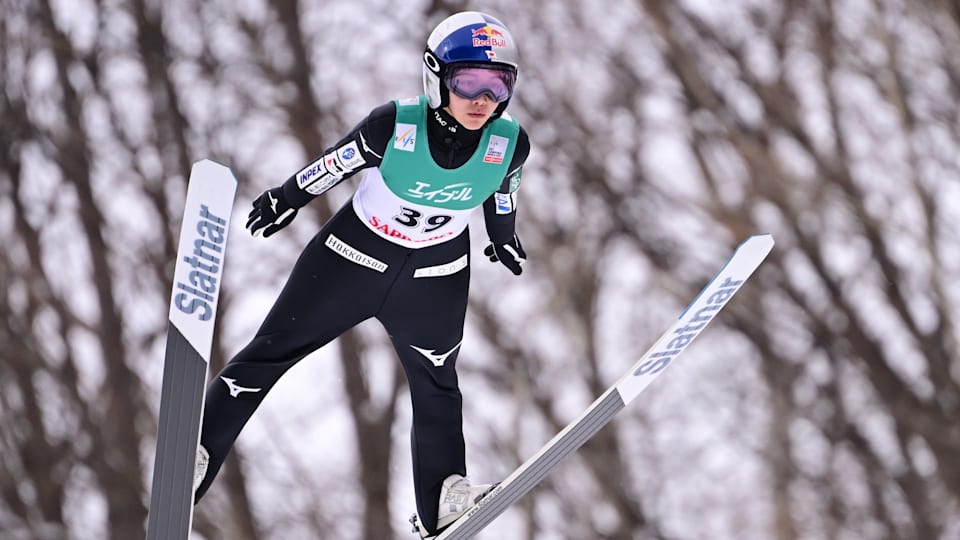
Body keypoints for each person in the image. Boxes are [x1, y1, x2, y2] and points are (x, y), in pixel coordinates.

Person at [192, 11, 531, 538]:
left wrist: (503, 235)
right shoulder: (394, 124)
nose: (482, 99)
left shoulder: (509, 142)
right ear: (435, 75)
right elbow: (336, 163)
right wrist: (286, 198)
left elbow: (502, 189)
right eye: (468, 81)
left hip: (435, 271)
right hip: (352, 257)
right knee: (271, 350)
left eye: (497, 84)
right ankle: (199, 454)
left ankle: (442, 496)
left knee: (438, 382)